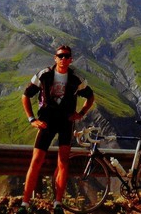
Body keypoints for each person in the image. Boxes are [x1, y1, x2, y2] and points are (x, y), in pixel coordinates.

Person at [18, 45, 95, 214]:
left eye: (67, 56)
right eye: (60, 56)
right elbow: (26, 95)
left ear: (71, 60)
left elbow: (90, 96)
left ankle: (58, 204)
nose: (63, 59)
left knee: (63, 163)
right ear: (55, 58)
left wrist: (80, 113)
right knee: (36, 161)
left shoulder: (76, 79)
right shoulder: (44, 75)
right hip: (46, 122)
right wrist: (32, 119)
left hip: (66, 123)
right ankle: (24, 204)